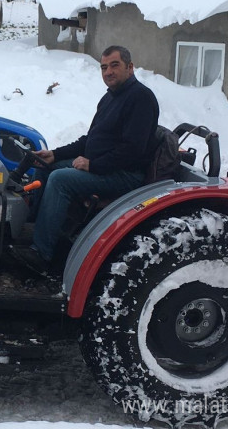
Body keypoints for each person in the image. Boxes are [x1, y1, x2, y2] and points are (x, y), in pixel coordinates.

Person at [12, 45, 160, 275]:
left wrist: (93, 165)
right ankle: (33, 228)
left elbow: (132, 151)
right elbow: (90, 139)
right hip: (105, 168)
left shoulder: (141, 99)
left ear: (130, 68)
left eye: (114, 65)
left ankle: (40, 254)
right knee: (45, 167)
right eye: (103, 67)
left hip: (124, 175)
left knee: (61, 179)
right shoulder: (110, 98)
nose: (108, 72)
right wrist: (55, 154)